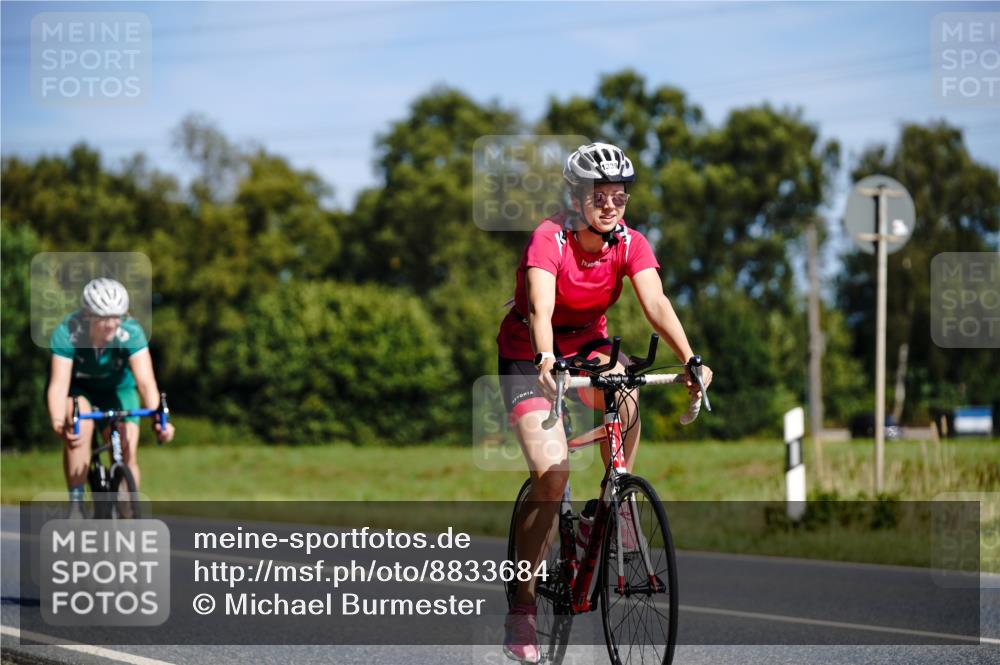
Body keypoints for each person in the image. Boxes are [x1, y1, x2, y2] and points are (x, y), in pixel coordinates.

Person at [496, 142, 713, 663]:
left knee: (629, 392)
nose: (611, 205)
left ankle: (617, 501)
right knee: (551, 476)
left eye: (620, 196)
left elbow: (655, 302)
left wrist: (690, 360)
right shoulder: (550, 238)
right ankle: (523, 607)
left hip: (591, 346)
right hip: (532, 352)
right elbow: (541, 306)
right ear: (576, 197)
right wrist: (547, 358)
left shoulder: (630, 243)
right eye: (600, 196)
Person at [47, 278, 175, 508]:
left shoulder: (130, 333)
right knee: (80, 428)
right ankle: (76, 505)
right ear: (87, 316)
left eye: (117, 316)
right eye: (103, 317)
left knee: (127, 452)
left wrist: (160, 421)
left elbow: (146, 382)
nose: (111, 324)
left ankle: (128, 512)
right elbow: (58, 384)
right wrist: (58, 423)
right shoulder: (67, 333)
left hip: (118, 389)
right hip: (80, 390)